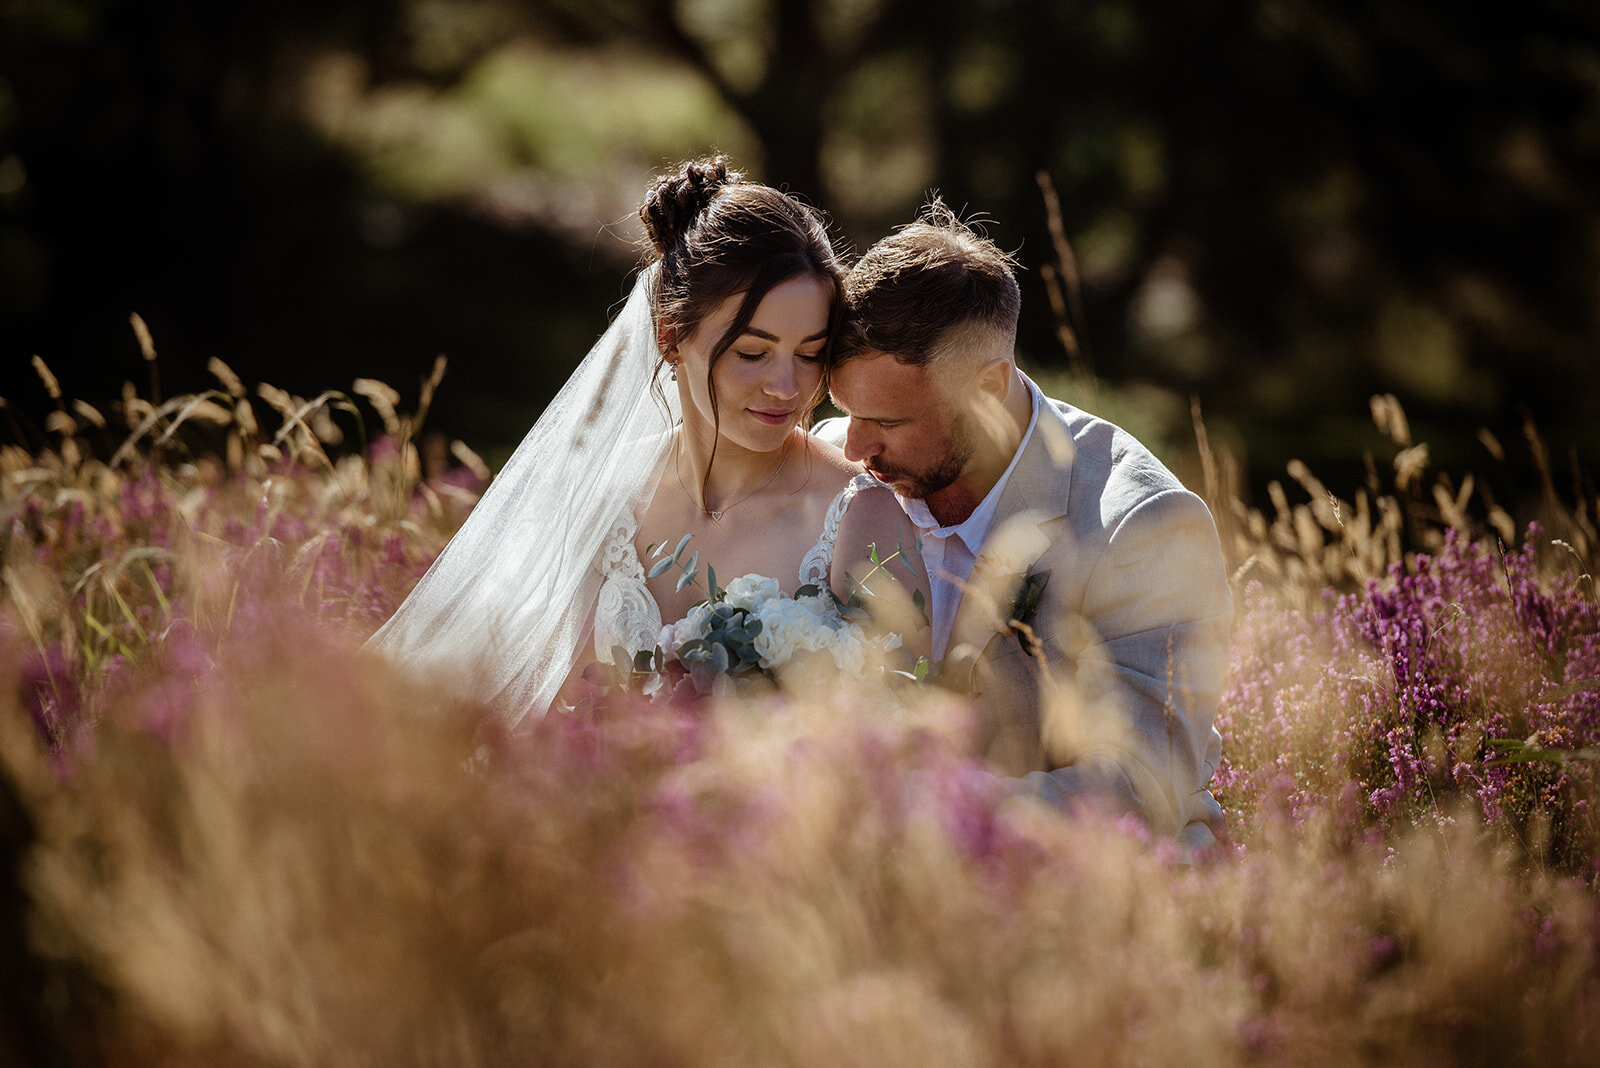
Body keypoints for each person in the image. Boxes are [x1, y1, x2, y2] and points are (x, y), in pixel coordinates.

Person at [367, 157, 927, 724]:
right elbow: (543, 699)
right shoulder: (605, 493)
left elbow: (906, 737)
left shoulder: (861, 519)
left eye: (810, 354)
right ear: (670, 338)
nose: (787, 387)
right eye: (751, 353)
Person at [816, 203, 1232, 846]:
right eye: (848, 412)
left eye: (889, 423)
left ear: (987, 387)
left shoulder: (1142, 525)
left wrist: (932, 825)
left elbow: (1142, 781)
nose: (853, 447)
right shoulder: (839, 462)